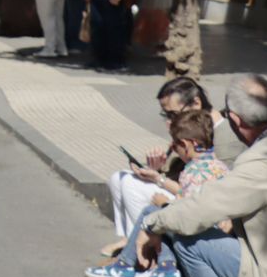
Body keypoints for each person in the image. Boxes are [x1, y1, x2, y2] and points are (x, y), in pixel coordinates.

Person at [138, 74, 267, 277]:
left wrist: (152, 225)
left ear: (236, 121)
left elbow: (199, 209)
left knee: (187, 234)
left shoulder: (263, 162)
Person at [96, 77, 244, 262]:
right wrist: (156, 168)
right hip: (188, 191)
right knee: (118, 178)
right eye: (166, 114)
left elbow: (207, 187)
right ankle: (131, 238)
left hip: (201, 204)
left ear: (196, 102)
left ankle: (147, 250)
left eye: (173, 113)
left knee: (131, 185)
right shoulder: (192, 125)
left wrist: (159, 179)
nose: (170, 119)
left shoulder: (222, 137)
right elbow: (182, 170)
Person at [85, 108, 228, 277]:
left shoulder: (192, 171)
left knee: (153, 213)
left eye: (175, 146)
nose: (174, 150)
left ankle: (128, 264)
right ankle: (163, 265)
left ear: (186, 144)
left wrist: (164, 203)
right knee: (159, 214)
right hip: (215, 232)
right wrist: (157, 178)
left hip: (199, 233)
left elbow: (189, 210)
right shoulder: (218, 166)